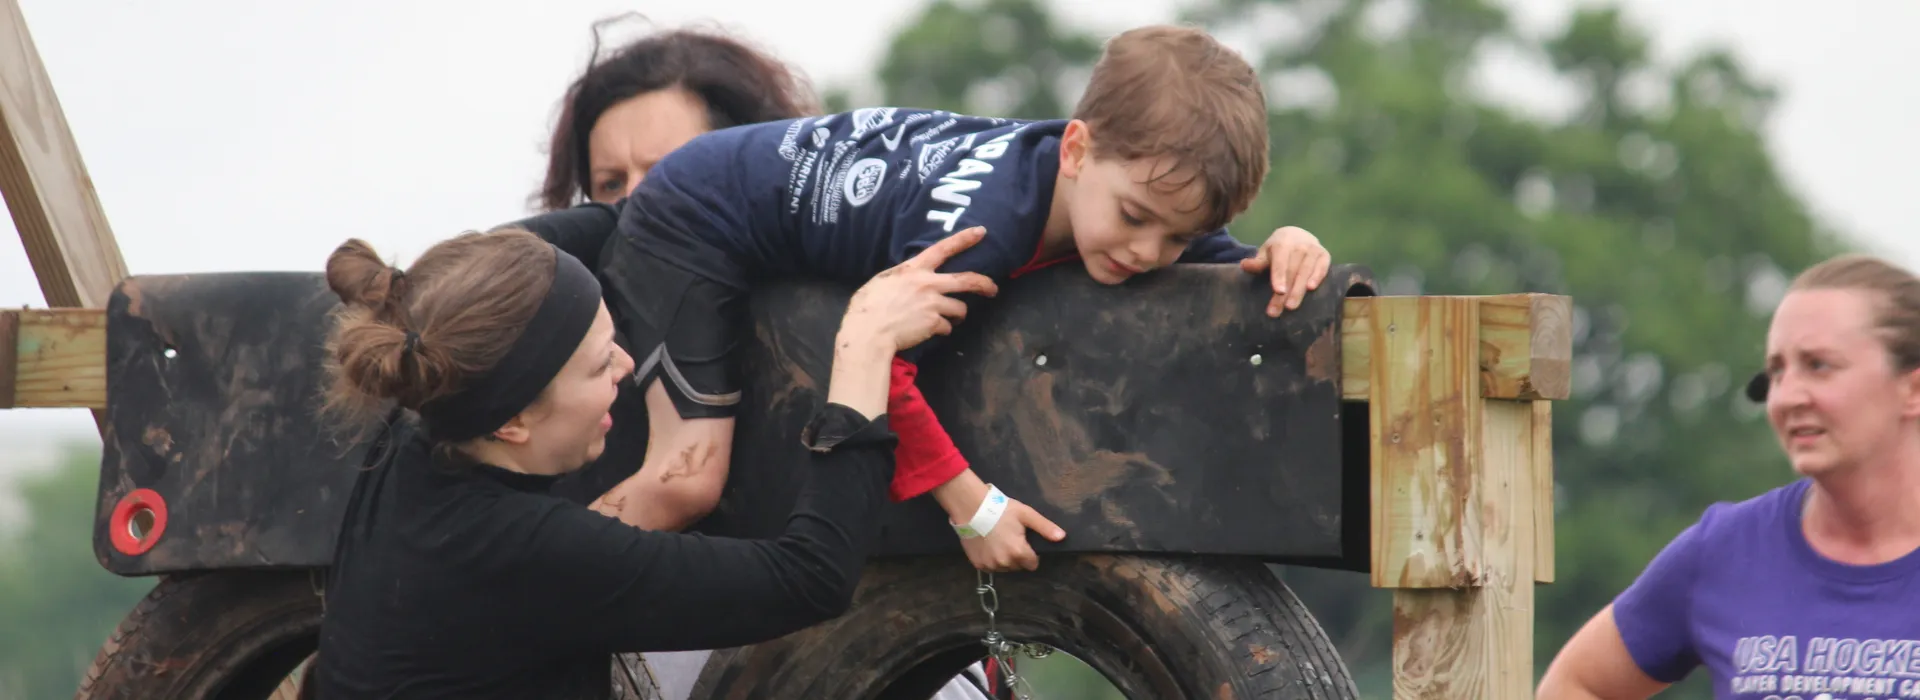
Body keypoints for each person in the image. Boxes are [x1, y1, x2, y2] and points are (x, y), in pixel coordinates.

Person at [563, 23, 1335, 574]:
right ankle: (524, 584)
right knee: (688, 481)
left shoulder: (1122, 195)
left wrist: (1284, 248)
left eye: (1176, 239)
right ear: (1075, 148)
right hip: (691, 219)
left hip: (747, 205)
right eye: (1136, 219)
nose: (1147, 255)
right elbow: (881, 366)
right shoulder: (981, 230)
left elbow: (1214, 261)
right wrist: (973, 506)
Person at [303, 225, 999, 698]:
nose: (630, 368)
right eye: (600, 364)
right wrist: (864, 350)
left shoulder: (423, 418)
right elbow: (810, 579)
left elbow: (617, 222)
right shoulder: (526, 552)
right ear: (515, 420)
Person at [1536, 253, 1920, 699]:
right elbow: (1577, 685)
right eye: (1777, 371)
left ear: (1912, 390)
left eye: (1819, 366)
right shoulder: (1725, 551)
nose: (1786, 396)